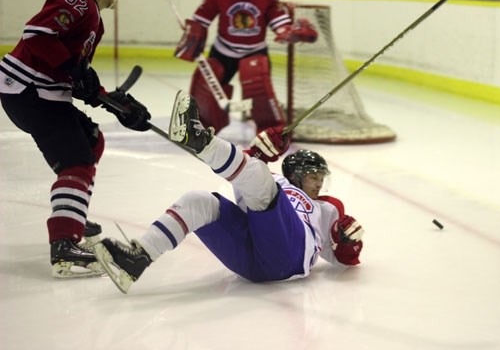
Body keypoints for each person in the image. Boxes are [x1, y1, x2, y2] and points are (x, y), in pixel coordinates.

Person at [93, 91, 365, 294]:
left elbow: (342, 257)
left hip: (291, 257)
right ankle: (139, 259)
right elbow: (245, 178)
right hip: (252, 263)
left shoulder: (328, 208)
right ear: (294, 176)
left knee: (259, 177)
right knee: (198, 201)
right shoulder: (275, 182)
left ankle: (199, 140)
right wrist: (257, 153)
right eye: (312, 177)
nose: (318, 184)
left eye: (321, 178)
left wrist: (349, 240)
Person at [0, 0, 151, 279]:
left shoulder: (95, 20)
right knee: (77, 160)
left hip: (40, 93)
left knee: (91, 141)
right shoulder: (79, 1)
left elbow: (75, 76)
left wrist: (114, 103)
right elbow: (37, 36)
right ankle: (64, 246)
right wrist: (75, 71)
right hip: (28, 90)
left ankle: (73, 215)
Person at [174, 0, 318, 136]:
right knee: (208, 92)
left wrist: (286, 32)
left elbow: (276, 17)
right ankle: (203, 127)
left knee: (261, 95)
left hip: (255, 52)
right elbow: (203, 16)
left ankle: (270, 133)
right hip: (223, 51)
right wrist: (194, 34)